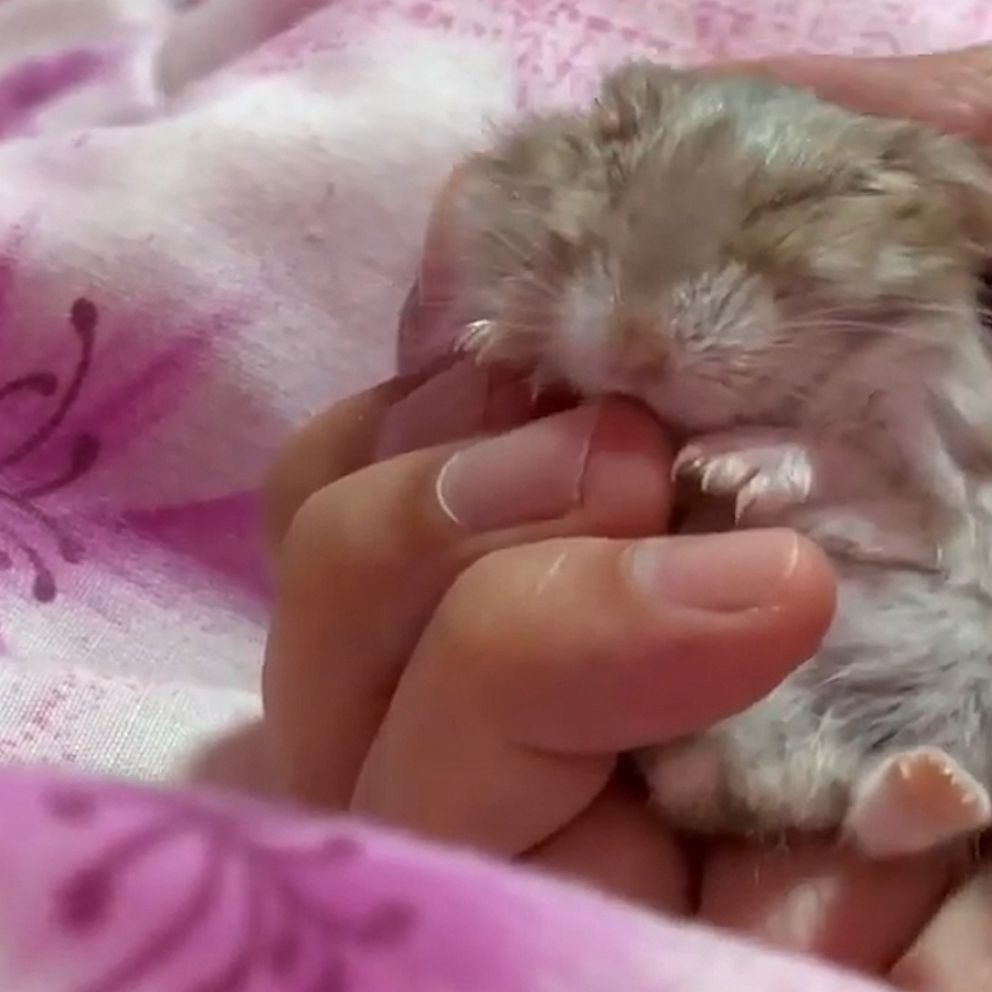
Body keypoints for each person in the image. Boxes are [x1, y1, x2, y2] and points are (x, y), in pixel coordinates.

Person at [261, 47, 992, 988]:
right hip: (737, 661)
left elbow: (927, 480)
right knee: (687, 711)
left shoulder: (924, 319)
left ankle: (884, 799)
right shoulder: (577, 169)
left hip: (913, 615)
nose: (645, 343)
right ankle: (758, 777)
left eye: (767, 227)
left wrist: (804, 466)